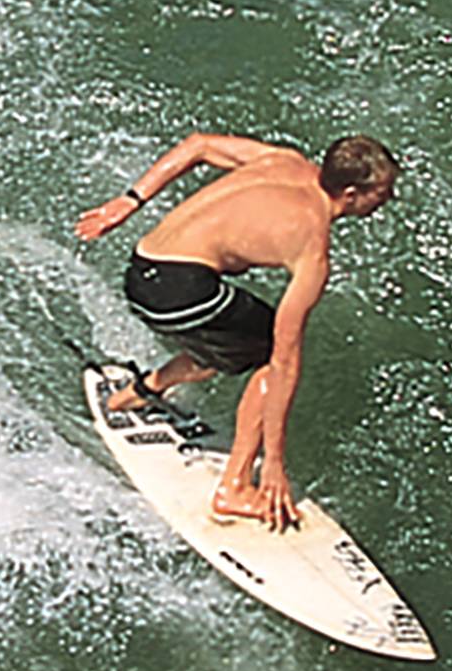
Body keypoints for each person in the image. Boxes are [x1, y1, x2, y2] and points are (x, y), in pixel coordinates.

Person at [75, 131, 400, 533]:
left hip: (143, 270)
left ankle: (136, 395)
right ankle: (235, 488)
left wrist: (130, 200)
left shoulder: (284, 161)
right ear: (350, 194)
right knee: (265, 351)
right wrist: (275, 464)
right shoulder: (312, 245)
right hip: (179, 291)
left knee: (233, 341)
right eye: (382, 192)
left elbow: (199, 145)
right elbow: (283, 362)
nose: (388, 200)